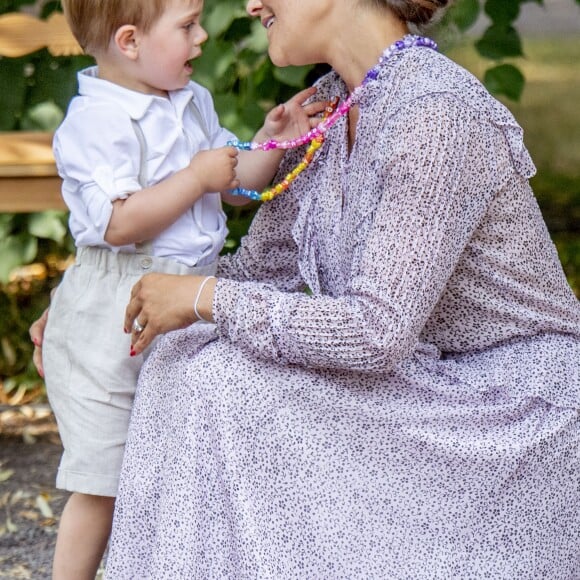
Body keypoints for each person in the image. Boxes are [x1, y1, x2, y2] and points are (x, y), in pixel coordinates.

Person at [31, 0, 580, 577]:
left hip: (507, 413)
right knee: (186, 359)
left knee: (222, 381)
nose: (250, 4)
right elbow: (258, 271)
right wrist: (90, 308)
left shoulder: (435, 115)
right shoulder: (335, 102)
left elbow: (375, 332)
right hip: (423, 382)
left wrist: (201, 299)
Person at [35, 0, 323, 578]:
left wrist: (270, 143)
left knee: (173, 461)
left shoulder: (193, 101)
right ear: (130, 42)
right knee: (104, 478)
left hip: (184, 302)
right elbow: (116, 224)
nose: (202, 37)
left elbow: (233, 187)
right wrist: (194, 178)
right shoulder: (95, 121)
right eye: (187, 26)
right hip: (108, 319)